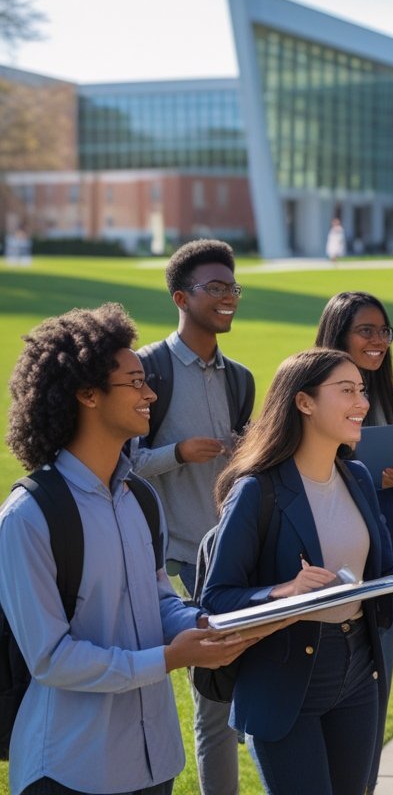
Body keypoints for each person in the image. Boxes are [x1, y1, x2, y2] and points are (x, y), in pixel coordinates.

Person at [0, 304, 253, 795]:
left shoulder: (140, 496)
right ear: (86, 394)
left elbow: (157, 599)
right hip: (70, 769)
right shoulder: (29, 517)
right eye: (135, 382)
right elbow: (50, 658)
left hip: (154, 762)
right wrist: (168, 659)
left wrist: (201, 626)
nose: (151, 393)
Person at [201, 348, 393, 795]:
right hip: (286, 676)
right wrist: (282, 591)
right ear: (304, 402)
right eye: (346, 391)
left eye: (361, 391)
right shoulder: (256, 490)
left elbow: (379, 571)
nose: (362, 403)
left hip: (357, 666)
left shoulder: (358, 477)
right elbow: (216, 599)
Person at [128, 238, 254, 795]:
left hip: (228, 550)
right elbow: (123, 465)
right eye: (215, 287)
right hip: (170, 557)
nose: (228, 297)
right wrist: (179, 453)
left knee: (235, 688)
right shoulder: (149, 370)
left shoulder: (241, 378)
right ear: (181, 296)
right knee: (211, 699)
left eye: (232, 287)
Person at [313, 291, 393, 784]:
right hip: (336, 548)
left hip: (391, 544)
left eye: (384, 331)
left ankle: (366, 782)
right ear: (339, 335)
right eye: (367, 330)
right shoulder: (312, 392)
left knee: (377, 678)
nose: (378, 340)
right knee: (338, 675)